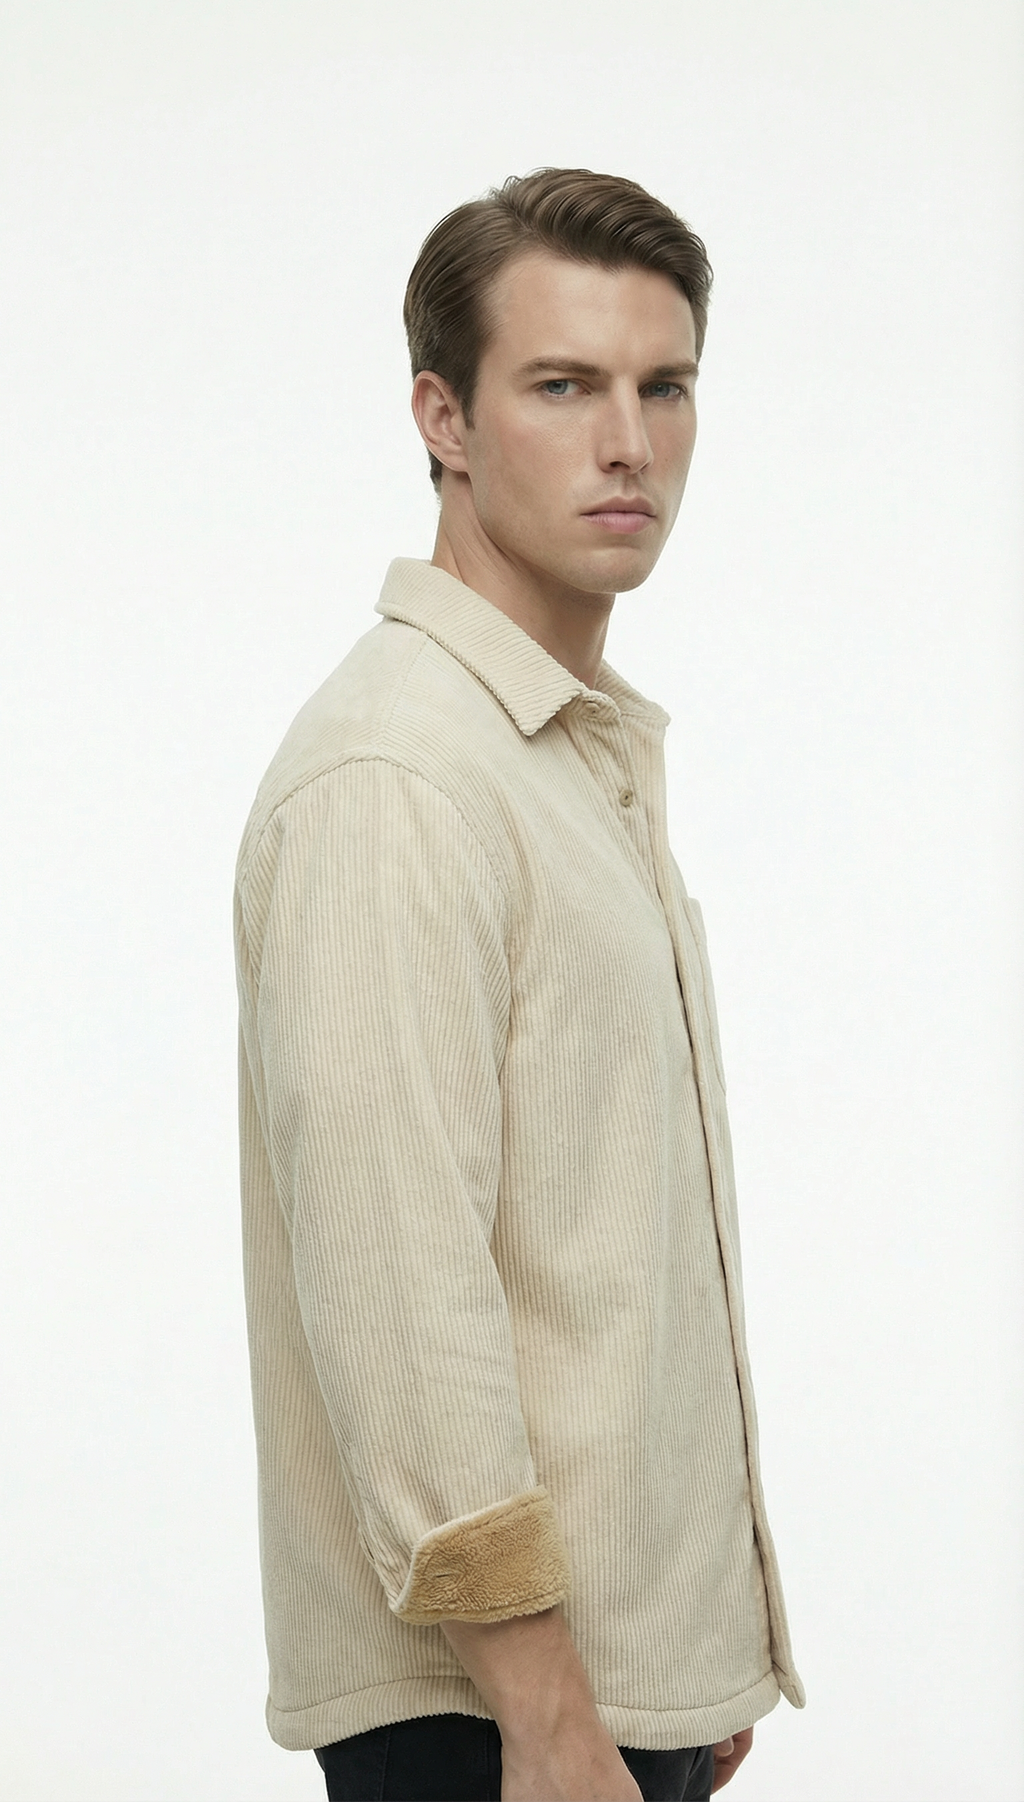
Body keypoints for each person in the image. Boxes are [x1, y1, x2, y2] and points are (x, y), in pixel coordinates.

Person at [234, 167, 804, 1802]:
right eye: (562, 386)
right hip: (490, 1720)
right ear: (446, 419)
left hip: (610, 1691)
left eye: (664, 385)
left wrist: (686, 1648)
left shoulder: (555, 757)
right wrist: (551, 1707)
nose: (629, 441)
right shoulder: (401, 776)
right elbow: (399, 1285)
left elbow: (594, 1247)